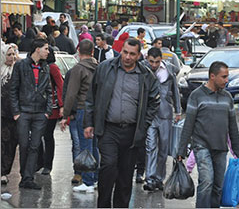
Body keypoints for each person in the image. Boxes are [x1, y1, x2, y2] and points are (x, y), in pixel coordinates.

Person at [83, 38, 160, 208]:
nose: (127, 57)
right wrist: (89, 123)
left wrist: (144, 124)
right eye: (125, 52)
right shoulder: (105, 68)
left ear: (139, 55)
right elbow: (91, 97)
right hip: (109, 129)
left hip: (132, 133)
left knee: (125, 176)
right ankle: (103, 205)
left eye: (132, 54)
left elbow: (155, 101)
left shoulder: (146, 75)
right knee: (108, 166)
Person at [177, 61, 239, 208]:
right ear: (212, 76)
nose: (227, 80)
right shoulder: (196, 96)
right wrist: (181, 150)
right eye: (224, 77)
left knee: (218, 186)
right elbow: (188, 124)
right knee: (206, 181)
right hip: (202, 146)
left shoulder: (227, 97)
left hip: (221, 148)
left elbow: (232, 127)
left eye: (227, 77)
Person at [10, 38, 52, 190]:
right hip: (24, 112)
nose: (48, 52)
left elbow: (49, 89)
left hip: (40, 113)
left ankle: (28, 177)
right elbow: (13, 89)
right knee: (24, 145)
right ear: (37, 49)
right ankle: (24, 176)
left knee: (35, 145)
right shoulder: (21, 65)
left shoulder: (45, 67)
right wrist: (16, 112)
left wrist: (47, 112)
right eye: (46, 49)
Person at [60, 39, 99, 192]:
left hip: (82, 109)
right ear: (92, 52)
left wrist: (66, 115)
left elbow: (71, 94)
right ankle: (95, 178)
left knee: (85, 146)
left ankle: (88, 181)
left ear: (78, 52)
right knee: (94, 146)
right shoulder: (99, 67)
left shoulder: (78, 69)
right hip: (96, 110)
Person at [143, 48, 181, 191]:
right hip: (150, 114)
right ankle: (150, 178)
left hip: (165, 113)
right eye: (151, 61)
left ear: (161, 60)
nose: (153, 65)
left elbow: (175, 92)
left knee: (164, 148)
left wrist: (178, 110)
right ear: (147, 59)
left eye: (156, 62)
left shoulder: (169, 69)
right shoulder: (143, 69)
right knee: (150, 146)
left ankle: (159, 178)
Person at [37, 48, 64, 175]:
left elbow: (60, 85)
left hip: (52, 107)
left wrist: (62, 105)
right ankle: (40, 163)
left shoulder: (52, 67)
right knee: (38, 136)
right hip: (39, 107)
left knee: (47, 136)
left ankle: (47, 164)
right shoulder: (38, 66)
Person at [1, 44, 18, 185]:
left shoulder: (17, 71)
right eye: (9, 54)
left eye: (13, 54)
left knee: (10, 144)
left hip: (12, 115)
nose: (12, 57)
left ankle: (4, 172)